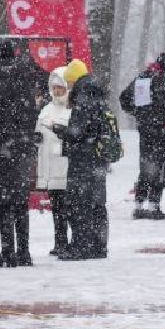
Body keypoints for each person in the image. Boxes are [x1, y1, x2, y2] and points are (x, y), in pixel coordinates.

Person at [0, 40, 46, 266]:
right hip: (23, 149)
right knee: (20, 201)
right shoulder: (26, 81)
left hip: (1, 150)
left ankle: (8, 251)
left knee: (3, 202)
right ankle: (24, 252)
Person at [51, 73, 119, 259]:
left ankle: (81, 247)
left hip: (82, 161)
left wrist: (60, 130)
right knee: (97, 204)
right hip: (98, 162)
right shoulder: (100, 101)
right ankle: (99, 246)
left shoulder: (83, 101)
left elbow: (76, 133)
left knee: (79, 205)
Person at [119, 53, 165, 219]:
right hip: (161, 129)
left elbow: (124, 98)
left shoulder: (142, 78)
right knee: (158, 167)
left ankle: (139, 205)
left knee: (145, 166)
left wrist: (138, 113)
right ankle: (154, 206)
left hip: (145, 129)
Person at [34, 67, 74, 256]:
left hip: (63, 166)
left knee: (66, 208)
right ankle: (59, 241)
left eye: (60, 87)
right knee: (56, 208)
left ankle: (68, 241)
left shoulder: (72, 109)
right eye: (55, 87)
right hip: (49, 166)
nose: (57, 91)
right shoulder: (46, 109)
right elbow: (38, 130)